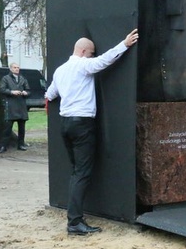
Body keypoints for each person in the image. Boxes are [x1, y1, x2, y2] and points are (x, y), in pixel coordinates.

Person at [45, 29, 139, 236]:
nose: (93, 56)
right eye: (91, 53)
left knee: (77, 172)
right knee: (81, 173)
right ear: (84, 51)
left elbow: (50, 93)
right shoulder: (82, 65)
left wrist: (47, 100)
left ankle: (75, 219)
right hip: (82, 125)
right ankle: (74, 222)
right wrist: (125, 44)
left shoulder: (60, 70)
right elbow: (104, 61)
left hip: (65, 124)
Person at [0, 63, 30, 153]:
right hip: (11, 105)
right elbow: (2, 89)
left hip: (21, 105)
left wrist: (25, 93)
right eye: (15, 67)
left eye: (18, 67)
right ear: (11, 69)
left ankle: (21, 144)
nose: (17, 69)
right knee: (7, 128)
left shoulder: (23, 78)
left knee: (22, 127)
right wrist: (12, 92)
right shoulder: (5, 78)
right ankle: (3, 146)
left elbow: (28, 90)